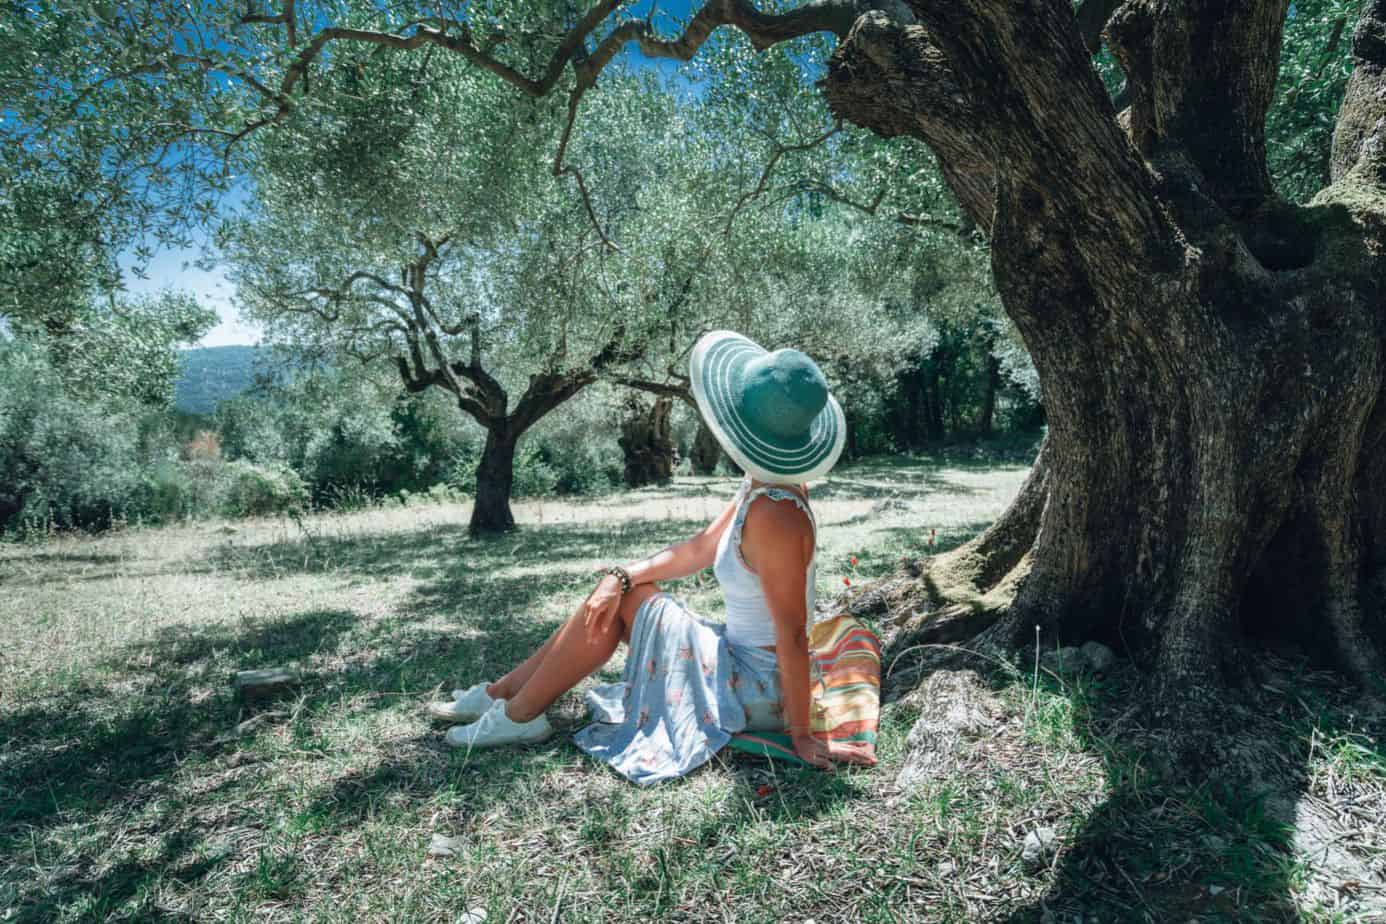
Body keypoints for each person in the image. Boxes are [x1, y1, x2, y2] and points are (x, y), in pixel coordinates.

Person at [426, 331, 876, 783]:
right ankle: (503, 694)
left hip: (759, 689)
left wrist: (800, 734)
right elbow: (700, 548)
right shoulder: (764, 485)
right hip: (743, 661)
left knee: (626, 599)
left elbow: (793, 635)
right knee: (623, 591)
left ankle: (521, 715)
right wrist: (621, 574)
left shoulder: (776, 515)